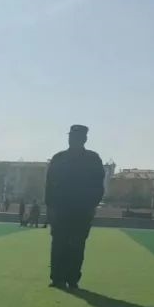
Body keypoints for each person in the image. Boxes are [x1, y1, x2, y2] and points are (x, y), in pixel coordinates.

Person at [45, 124, 105, 289]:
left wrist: (92, 206)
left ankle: (72, 279)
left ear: (84, 139)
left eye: (76, 137)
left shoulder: (93, 159)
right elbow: (49, 185)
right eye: (71, 136)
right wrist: (50, 207)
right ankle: (57, 278)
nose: (72, 140)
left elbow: (98, 186)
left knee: (77, 245)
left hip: (82, 210)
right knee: (59, 244)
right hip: (60, 209)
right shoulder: (58, 158)